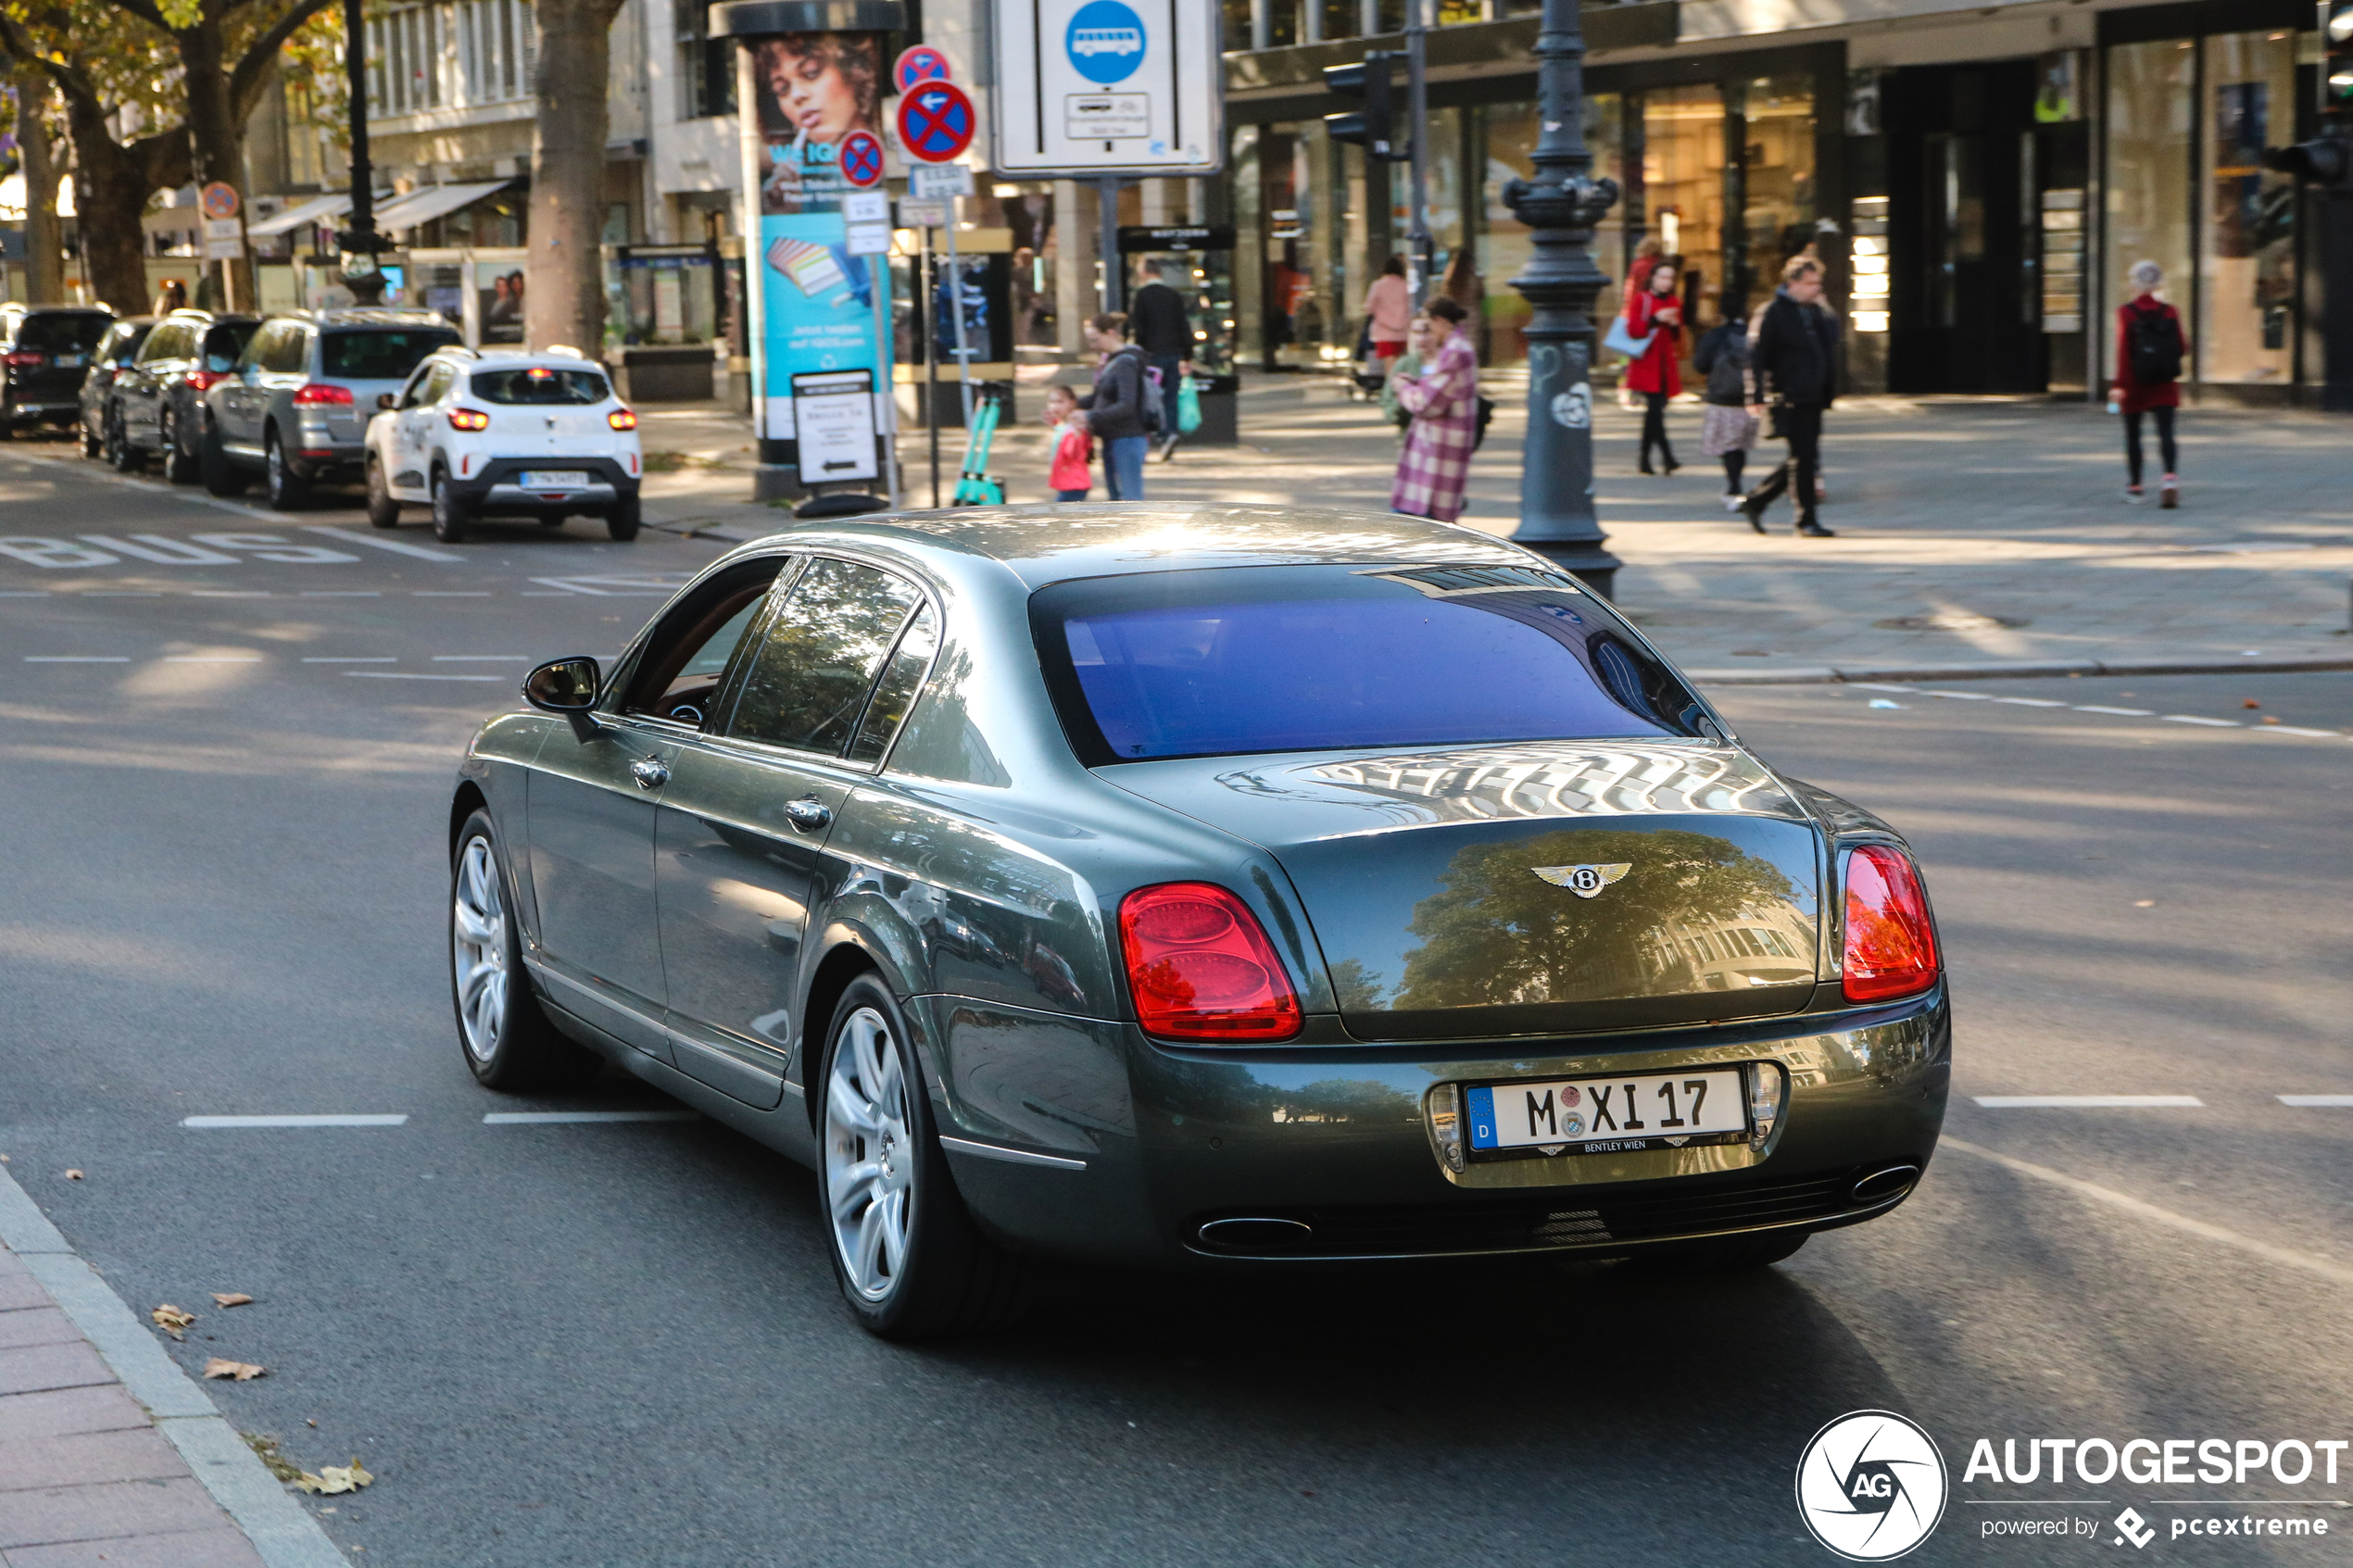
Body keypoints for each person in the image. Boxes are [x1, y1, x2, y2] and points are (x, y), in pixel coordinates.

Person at [1741, 255, 1842, 538]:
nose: (1816, 289)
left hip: (1814, 394)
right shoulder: (1772, 312)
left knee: (1803, 456)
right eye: (1811, 284)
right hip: (1789, 394)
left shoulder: (1812, 310)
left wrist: (1825, 309)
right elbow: (1755, 355)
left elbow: (1832, 339)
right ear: (1793, 283)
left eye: (1818, 283)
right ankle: (1805, 520)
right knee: (1804, 456)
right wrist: (1755, 394)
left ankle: (1756, 501)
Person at [755, 33, 881, 213]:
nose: (797, 95)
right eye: (782, 89)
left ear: (854, 71)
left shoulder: (873, 167)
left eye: (811, 73)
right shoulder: (798, 189)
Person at [1390, 296, 1478, 522]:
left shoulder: (1456, 351)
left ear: (1440, 321)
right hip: (1437, 448)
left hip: (1438, 451)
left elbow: (1427, 403)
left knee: (1425, 524)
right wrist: (1417, 383)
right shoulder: (1456, 348)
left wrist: (1403, 388)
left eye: (1429, 326)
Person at [2112, 259, 2185, 508]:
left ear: (2134, 283)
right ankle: (2169, 480)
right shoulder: (2170, 311)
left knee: (2133, 435)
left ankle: (2135, 487)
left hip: (2135, 382)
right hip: (2164, 382)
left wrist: (2119, 385)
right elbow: (2182, 347)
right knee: (2166, 432)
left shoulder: (2126, 312)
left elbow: (2123, 350)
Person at [1078, 312, 1151, 500]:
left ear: (1110, 332)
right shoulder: (1113, 360)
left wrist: (1090, 417)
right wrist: (1068, 406)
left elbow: (1127, 405)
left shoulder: (1126, 363)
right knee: (1118, 498)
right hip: (1114, 437)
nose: (1094, 346)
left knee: (1129, 498)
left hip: (1127, 437)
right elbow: (1098, 398)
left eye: (1095, 340)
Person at [1126, 260, 1193, 460]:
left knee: (1149, 398)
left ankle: (1152, 436)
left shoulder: (1142, 296)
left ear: (1146, 273)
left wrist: (1139, 352)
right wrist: (1187, 355)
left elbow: (1140, 329)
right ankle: (1169, 433)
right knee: (1170, 399)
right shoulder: (1173, 295)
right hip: (1173, 354)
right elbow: (1183, 325)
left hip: (1152, 356)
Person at [1692, 308, 1757, 512]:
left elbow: (1700, 365)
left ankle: (1733, 486)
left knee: (1727, 444)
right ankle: (1736, 482)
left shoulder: (1714, 336)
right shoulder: (1753, 335)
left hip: (1721, 399)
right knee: (1740, 445)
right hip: (1747, 399)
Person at [1622, 258, 1683, 475]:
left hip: (1665, 366)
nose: (1667, 282)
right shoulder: (1642, 299)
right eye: (1663, 277)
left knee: (1653, 414)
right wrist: (1655, 318)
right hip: (1647, 363)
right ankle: (1667, 458)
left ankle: (1646, 461)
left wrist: (1675, 325)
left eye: (1670, 278)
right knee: (1655, 412)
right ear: (1653, 278)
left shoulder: (1675, 302)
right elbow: (1634, 330)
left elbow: (1677, 338)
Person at [1378, 314, 1433, 434]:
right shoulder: (1404, 364)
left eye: (1426, 332)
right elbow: (1387, 405)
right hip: (1411, 440)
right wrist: (1402, 398)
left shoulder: (1448, 363)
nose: (1420, 338)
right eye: (1416, 332)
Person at [1043, 384, 1093, 502]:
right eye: (1052, 402)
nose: (1055, 406)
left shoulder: (1075, 428)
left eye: (1060, 402)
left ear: (1071, 403)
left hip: (1074, 484)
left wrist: (1076, 436)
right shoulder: (1064, 426)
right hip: (1067, 483)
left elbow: (1074, 453)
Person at [1362, 256, 1412, 371]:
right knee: (1401, 362)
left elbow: (1369, 308)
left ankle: (1391, 385)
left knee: (1389, 362)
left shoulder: (1378, 285)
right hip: (1403, 332)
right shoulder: (1406, 285)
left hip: (1384, 332)